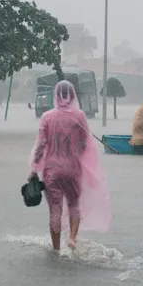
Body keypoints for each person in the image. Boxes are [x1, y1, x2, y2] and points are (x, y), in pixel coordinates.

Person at [28, 81, 111, 251]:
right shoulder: (79, 116)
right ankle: (72, 238)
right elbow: (83, 142)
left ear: (55, 96)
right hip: (72, 169)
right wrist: (75, 156)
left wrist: (34, 168)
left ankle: (56, 249)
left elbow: (41, 144)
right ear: (73, 95)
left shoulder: (47, 117)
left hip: (51, 170)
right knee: (74, 204)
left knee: (55, 211)